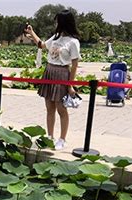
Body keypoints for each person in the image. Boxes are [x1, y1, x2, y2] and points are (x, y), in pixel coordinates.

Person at [25, 10, 81, 150]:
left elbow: (74, 64)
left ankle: (62, 139)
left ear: (63, 23)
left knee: (61, 109)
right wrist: (32, 33)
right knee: (49, 108)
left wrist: (70, 85)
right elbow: (42, 45)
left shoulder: (73, 42)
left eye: (57, 21)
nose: (55, 23)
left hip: (62, 74)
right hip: (49, 72)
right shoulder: (55, 38)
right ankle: (50, 137)